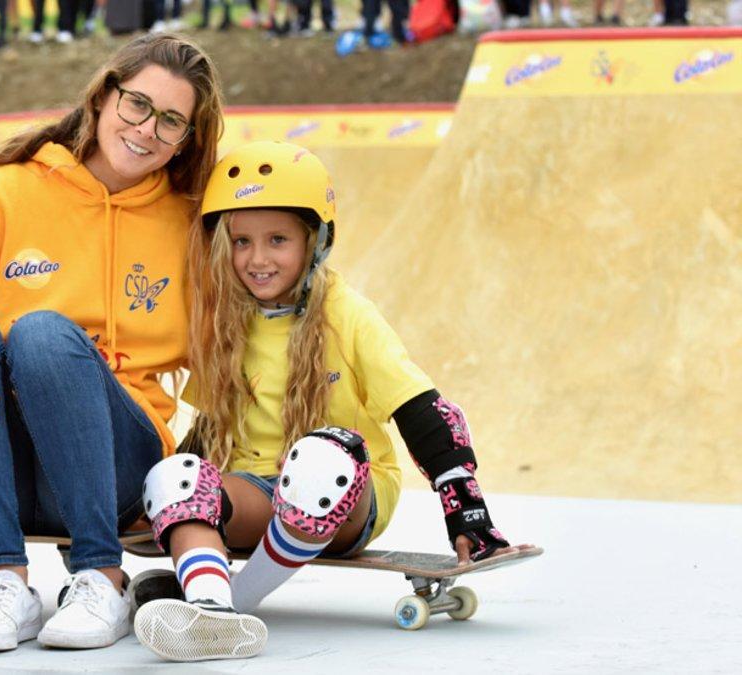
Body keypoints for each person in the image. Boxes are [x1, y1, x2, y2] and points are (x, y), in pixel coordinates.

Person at [0, 33, 224, 653]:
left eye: (172, 121)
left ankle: (100, 576)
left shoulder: (189, 223)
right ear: (102, 97)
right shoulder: (2, 195)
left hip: (111, 472)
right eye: (137, 104)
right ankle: (6, 584)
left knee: (41, 333)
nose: (147, 129)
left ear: (188, 138)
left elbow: (235, 362)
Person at [128, 141, 533, 662]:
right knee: (174, 474)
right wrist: (178, 506)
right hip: (258, 489)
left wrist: (468, 515)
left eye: (278, 240)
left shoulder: (348, 314)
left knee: (320, 457)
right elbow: (209, 431)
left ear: (314, 241)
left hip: (348, 492)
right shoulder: (226, 322)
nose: (257, 259)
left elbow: (426, 411)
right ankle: (209, 611)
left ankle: (239, 599)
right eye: (241, 241)